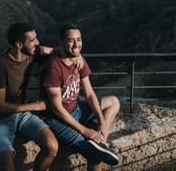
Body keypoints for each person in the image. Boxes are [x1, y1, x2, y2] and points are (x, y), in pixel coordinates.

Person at [41, 23, 121, 170]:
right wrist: (84, 130)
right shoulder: (53, 67)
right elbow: (57, 109)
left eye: (79, 39)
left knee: (114, 102)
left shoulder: (79, 60)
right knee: (95, 156)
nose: (76, 44)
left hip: (76, 109)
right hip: (58, 119)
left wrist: (102, 123)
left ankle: (101, 141)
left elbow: (89, 93)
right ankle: (96, 148)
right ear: (61, 42)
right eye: (71, 40)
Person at [0, 22, 58, 171]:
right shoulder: (0, 65)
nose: (37, 43)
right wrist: (36, 106)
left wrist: (77, 59)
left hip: (22, 115)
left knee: (52, 146)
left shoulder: (32, 53)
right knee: (7, 167)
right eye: (32, 40)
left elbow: (56, 51)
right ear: (19, 44)